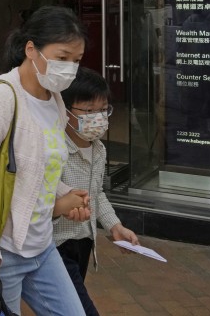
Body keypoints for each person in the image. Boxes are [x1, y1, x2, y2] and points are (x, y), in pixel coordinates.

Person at [0, 6, 92, 316]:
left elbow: (36, 170)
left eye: (76, 61)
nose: (70, 69)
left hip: (41, 247)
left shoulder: (55, 101)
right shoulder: (1, 98)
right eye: (62, 58)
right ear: (31, 49)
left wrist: (64, 195)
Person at [53, 67, 139, 316]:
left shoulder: (99, 149)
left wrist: (115, 227)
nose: (98, 118)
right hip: (55, 245)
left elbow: (97, 193)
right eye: (89, 111)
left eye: (103, 110)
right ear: (65, 111)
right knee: (80, 309)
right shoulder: (55, 150)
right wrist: (63, 208)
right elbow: (41, 198)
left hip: (84, 241)